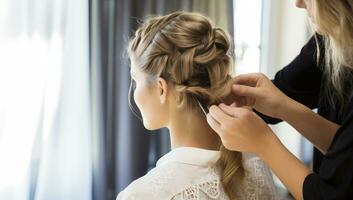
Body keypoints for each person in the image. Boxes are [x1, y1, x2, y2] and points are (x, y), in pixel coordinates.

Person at [117, 11, 279, 200]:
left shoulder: (140, 195)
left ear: (161, 89)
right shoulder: (256, 164)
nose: (134, 94)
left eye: (136, 81)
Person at [207, 0, 353, 199]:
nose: (298, 3)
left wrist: (264, 143)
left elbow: (334, 193)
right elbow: (345, 153)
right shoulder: (336, 33)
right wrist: (282, 106)